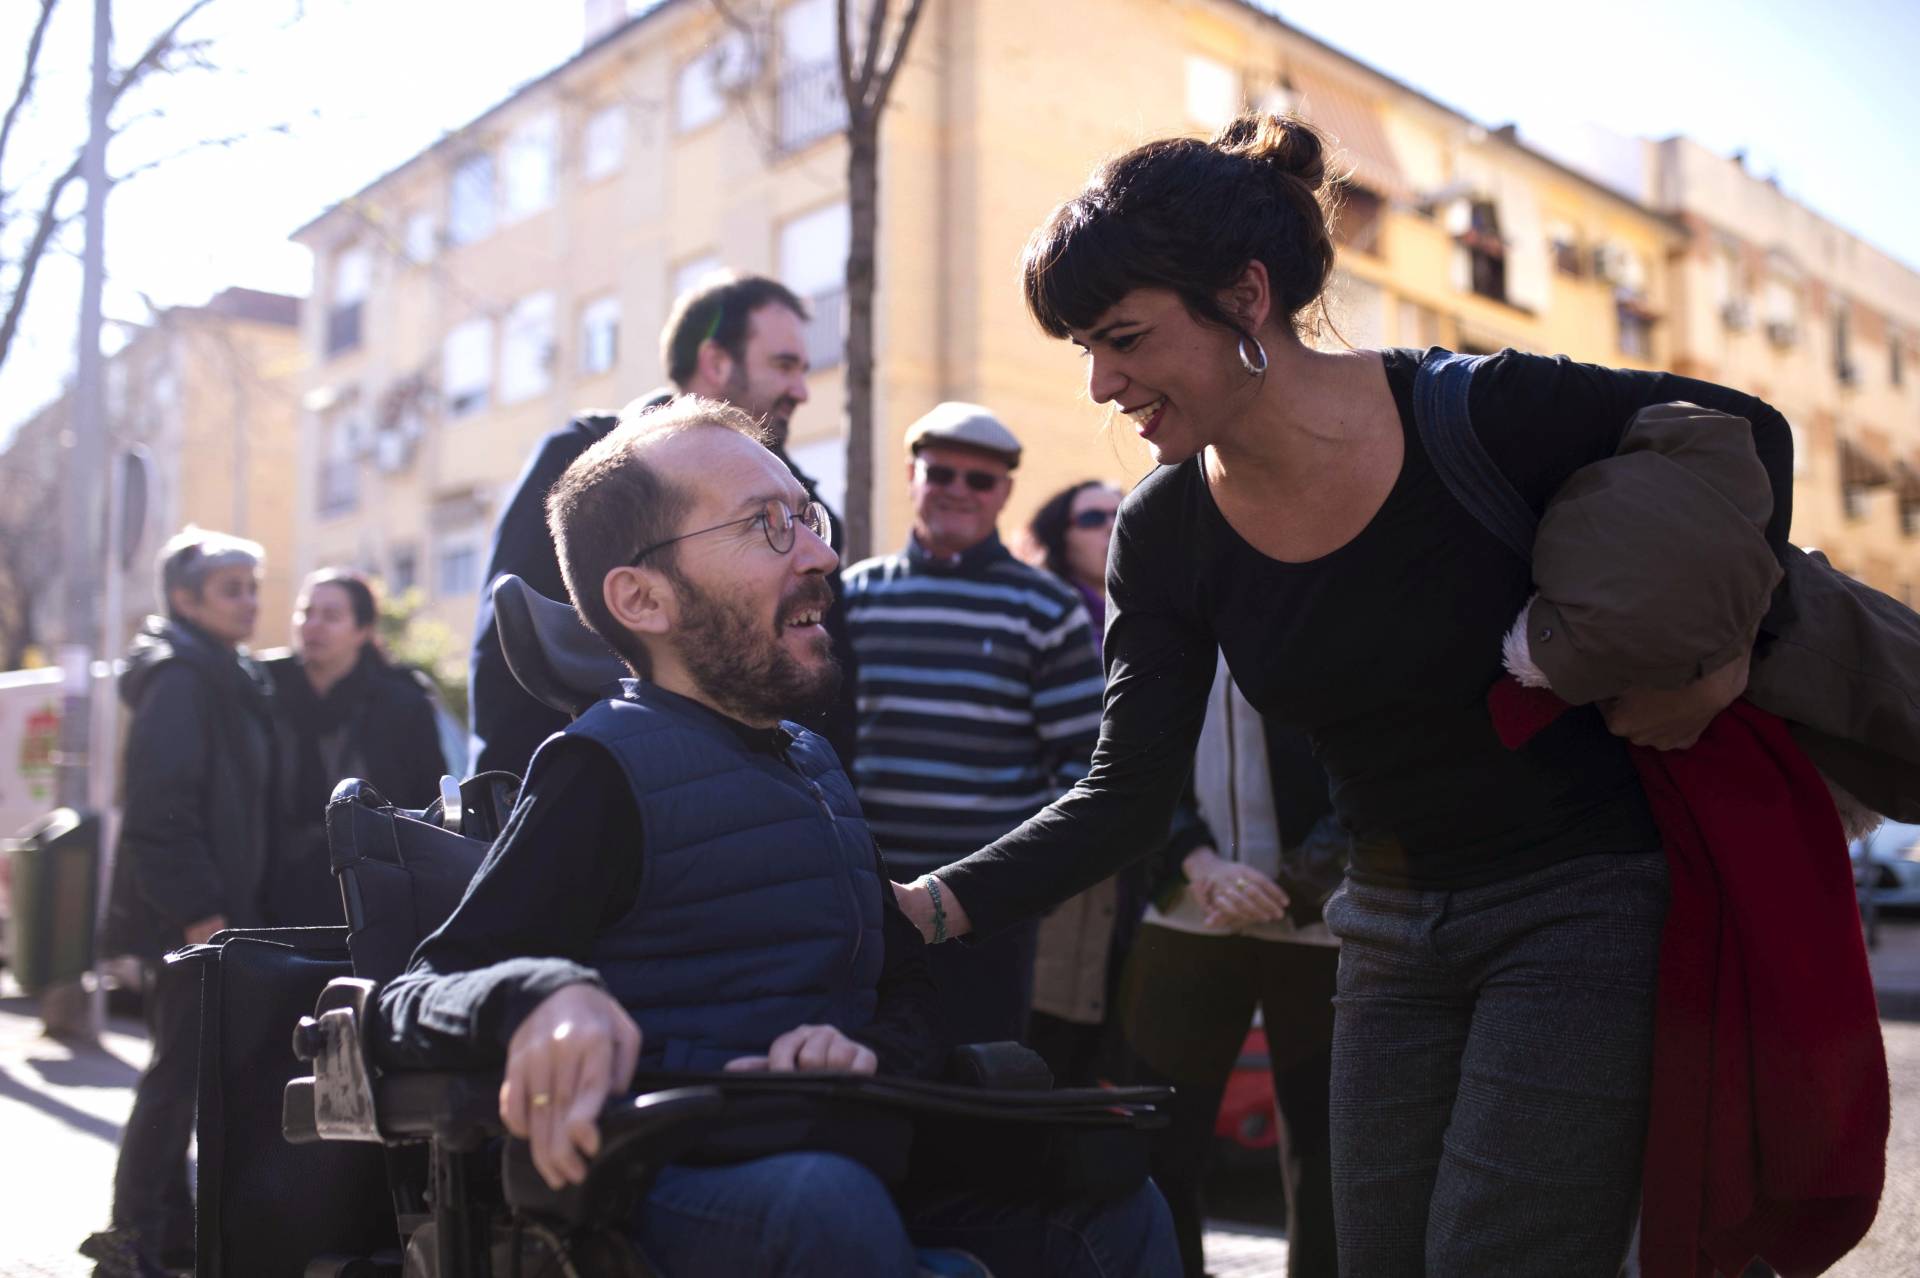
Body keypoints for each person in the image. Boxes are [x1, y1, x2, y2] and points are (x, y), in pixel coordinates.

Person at [891, 112, 1803, 1276]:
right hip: (1379, 929)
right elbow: (1126, 794)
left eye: (1121, 338)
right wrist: (923, 908)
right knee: (1370, 1255)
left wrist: (1710, 648)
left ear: (1247, 296)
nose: (1099, 384)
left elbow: (1746, 436)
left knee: (1495, 1256)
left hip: (1581, 903)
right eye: (1083, 345)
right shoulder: (1165, 534)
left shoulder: (1478, 413)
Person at [375, 397, 1178, 1277]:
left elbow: (909, 992)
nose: (824, 554)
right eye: (768, 526)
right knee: (824, 1204)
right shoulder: (599, 768)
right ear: (642, 597)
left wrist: (862, 1051)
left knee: (1117, 1205)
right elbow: (419, 990)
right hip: (664, 1180)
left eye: (807, 516)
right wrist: (537, 994)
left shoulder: (814, 762)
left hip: (843, 1146)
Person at [467, 272, 854, 777]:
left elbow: (827, 685)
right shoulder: (581, 466)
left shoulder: (815, 520)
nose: (800, 390)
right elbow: (507, 648)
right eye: (783, 366)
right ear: (716, 362)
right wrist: (524, 805)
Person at [843, 406, 1104, 1047]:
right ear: (911, 476)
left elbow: (1083, 764)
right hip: (864, 905)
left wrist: (1015, 882)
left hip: (985, 912)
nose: (959, 490)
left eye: (980, 481)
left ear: (1005, 493)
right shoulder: (853, 597)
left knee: (981, 1091)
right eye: (941, 473)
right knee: (870, 1081)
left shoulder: (1047, 607)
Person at [84, 528, 275, 1278]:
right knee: (178, 1077)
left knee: (187, 1075)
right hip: (195, 918)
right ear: (184, 599)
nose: (250, 603)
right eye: (233, 590)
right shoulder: (181, 679)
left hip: (219, 911)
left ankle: (166, 1238)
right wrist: (201, 911)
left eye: (254, 588)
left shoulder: (224, 671)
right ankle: (129, 1240)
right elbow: (159, 808)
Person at [1117, 664, 1340, 1278]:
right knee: (1159, 1145)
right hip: (1188, 911)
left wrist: (1294, 883)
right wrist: (1198, 861)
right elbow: (1128, 754)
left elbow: (1380, 753)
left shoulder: (1322, 583)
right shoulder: (1163, 598)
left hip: (1323, 917)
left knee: (1327, 1158)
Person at [1015, 480, 1137, 1084]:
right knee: (1047, 1043)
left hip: (1141, 865)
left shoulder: (1150, 615)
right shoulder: (1040, 615)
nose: (1113, 525)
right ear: (1059, 535)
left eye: (1122, 512)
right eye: (1094, 517)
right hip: (1059, 867)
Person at [260, 568, 448, 927]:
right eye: (306, 612)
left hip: (371, 888)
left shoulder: (402, 701)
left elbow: (428, 804)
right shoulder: (267, 687)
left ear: (362, 630)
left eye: (331, 616)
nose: (312, 625)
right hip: (277, 889)